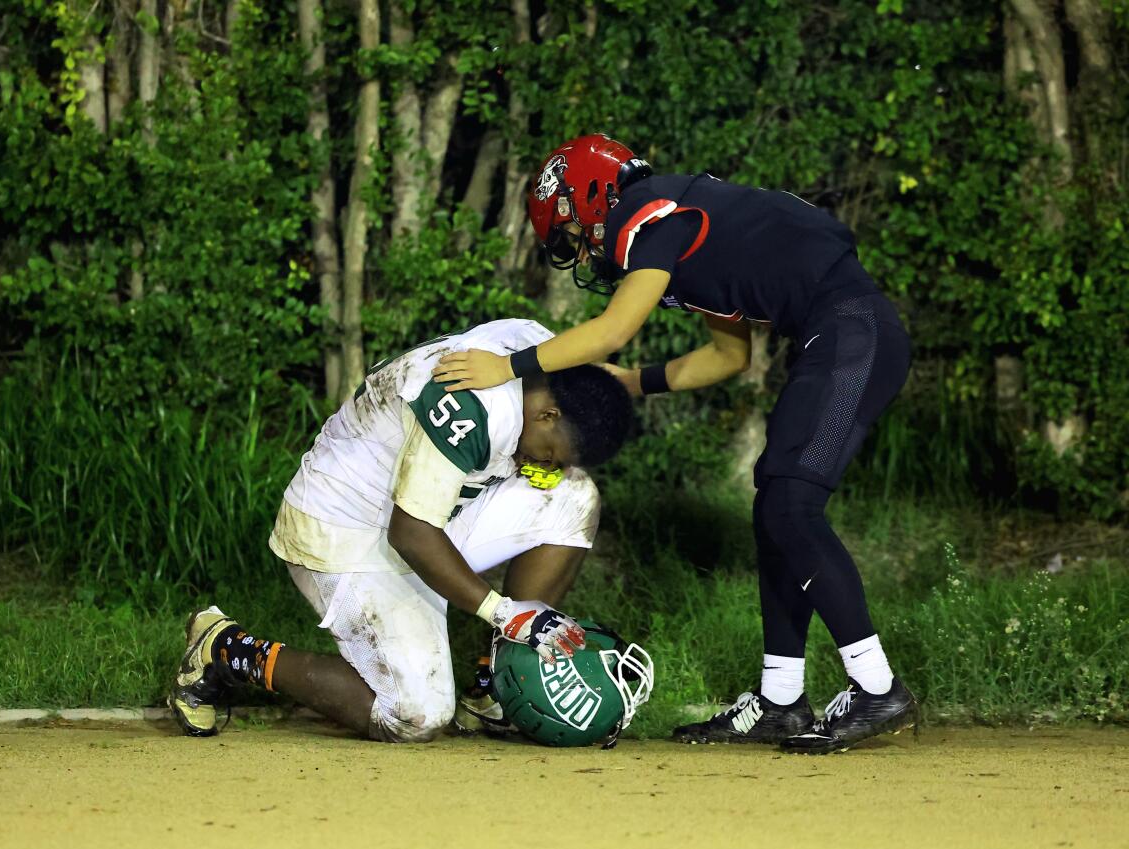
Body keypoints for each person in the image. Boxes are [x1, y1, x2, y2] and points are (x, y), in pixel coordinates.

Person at [431, 134, 916, 754]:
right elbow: (729, 355)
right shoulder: (686, 225)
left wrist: (509, 368)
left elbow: (613, 329)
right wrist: (636, 382)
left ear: (594, 197)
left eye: (574, 234)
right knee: (777, 510)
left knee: (789, 507)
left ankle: (876, 687)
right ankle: (781, 698)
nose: (580, 251)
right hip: (841, 332)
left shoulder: (648, 214)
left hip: (852, 329)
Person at [169, 318, 633, 743]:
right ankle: (223, 648)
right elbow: (410, 534)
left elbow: (605, 382)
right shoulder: (473, 407)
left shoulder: (546, 355)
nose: (546, 464)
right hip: (348, 529)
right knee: (415, 716)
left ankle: (493, 686)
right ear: (548, 415)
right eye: (551, 452)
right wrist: (502, 612)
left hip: (427, 510)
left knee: (573, 496)